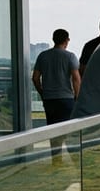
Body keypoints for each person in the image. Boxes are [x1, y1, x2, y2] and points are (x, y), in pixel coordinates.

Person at [32, 28, 81, 158]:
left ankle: (56, 157)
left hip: (49, 100)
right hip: (66, 99)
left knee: (53, 131)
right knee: (70, 131)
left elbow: (35, 78)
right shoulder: (70, 56)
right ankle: (74, 158)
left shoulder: (43, 56)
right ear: (67, 40)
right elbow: (76, 79)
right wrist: (77, 97)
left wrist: (42, 93)